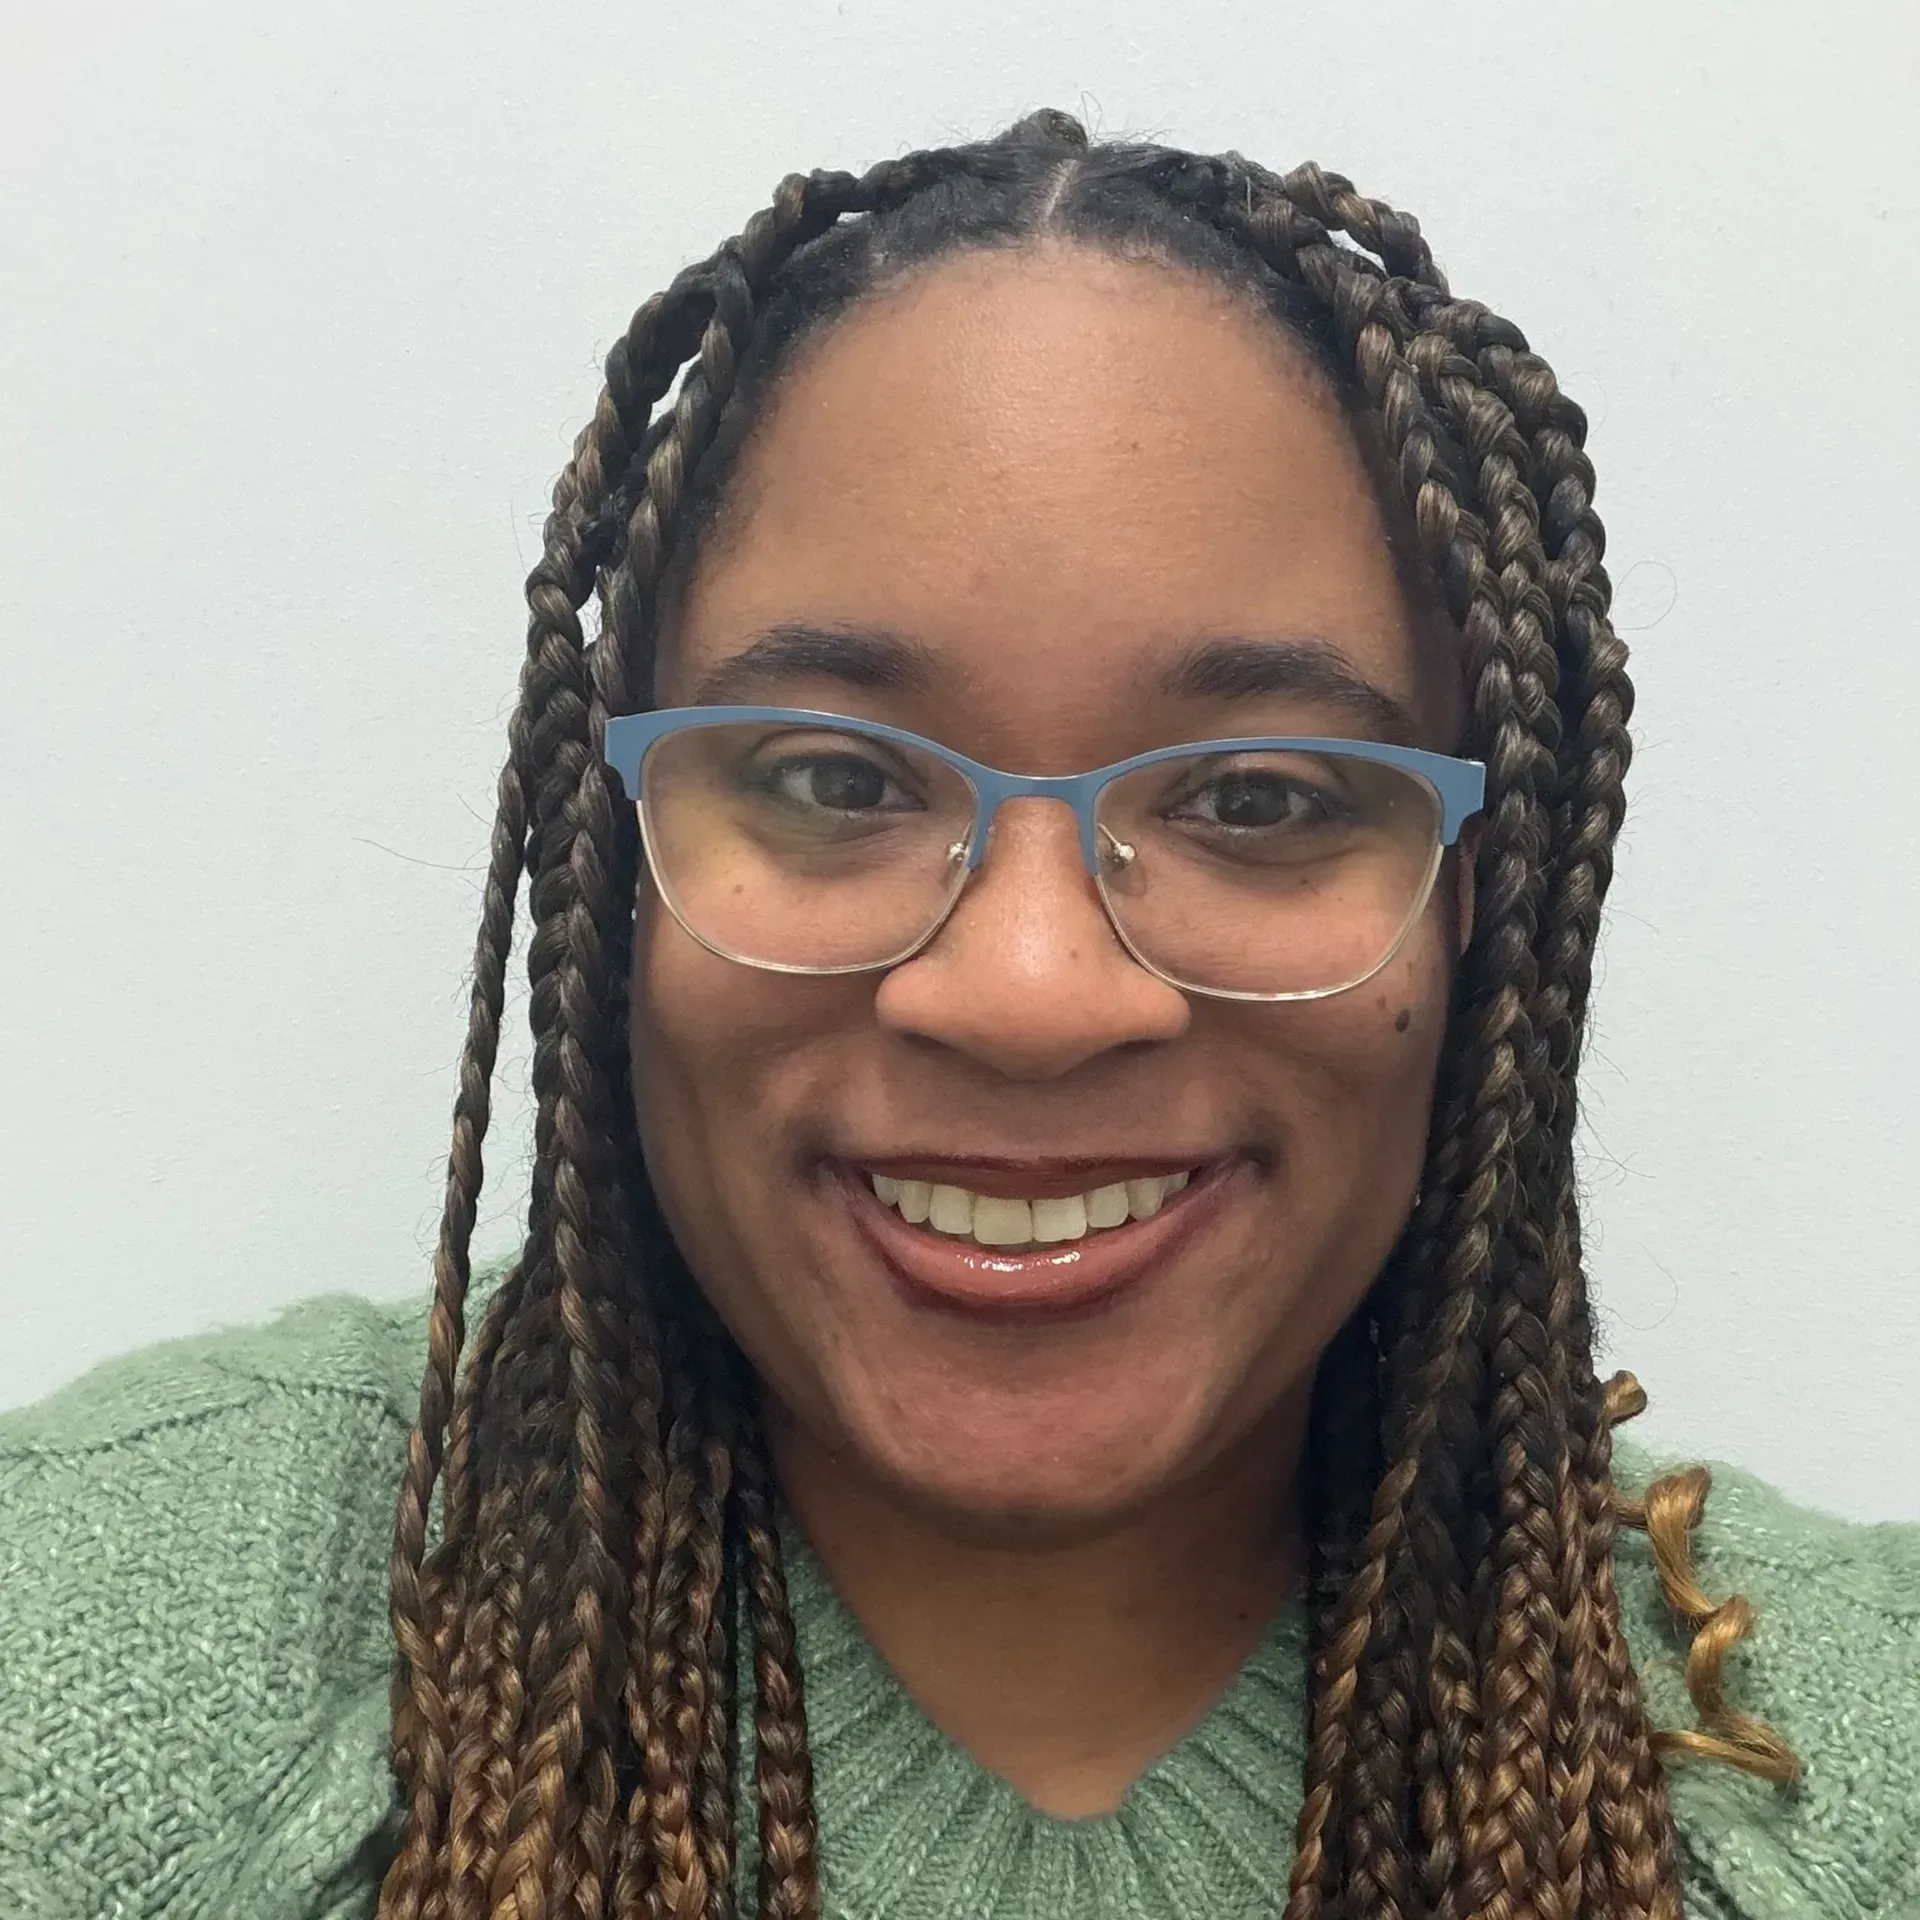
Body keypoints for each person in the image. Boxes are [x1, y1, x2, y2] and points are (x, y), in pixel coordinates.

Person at [1, 108, 1915, 1920]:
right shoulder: (111, 1645)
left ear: (1471, 922)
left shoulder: (1850, 1778)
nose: (1027, 993)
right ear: (614, 863)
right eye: (836, 781)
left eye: (1257, 799)